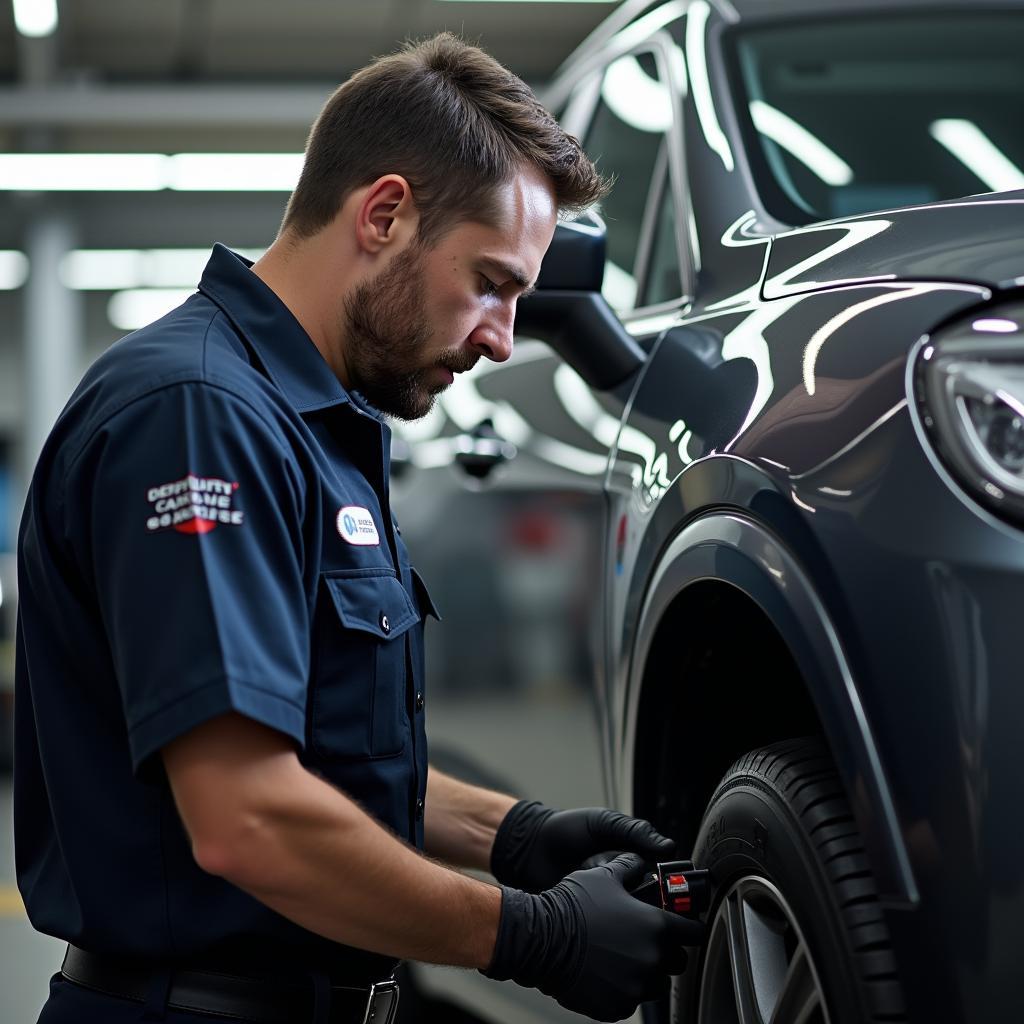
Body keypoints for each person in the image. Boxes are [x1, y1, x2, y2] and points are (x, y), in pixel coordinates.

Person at [14, 33, 703, 1024]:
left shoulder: (320, 426)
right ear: (384, 215)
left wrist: (514, 834)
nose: (504, 336)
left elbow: (324, 765)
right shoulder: (198, 417)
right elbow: (248, 818)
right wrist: (525, 931)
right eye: (493, 282)